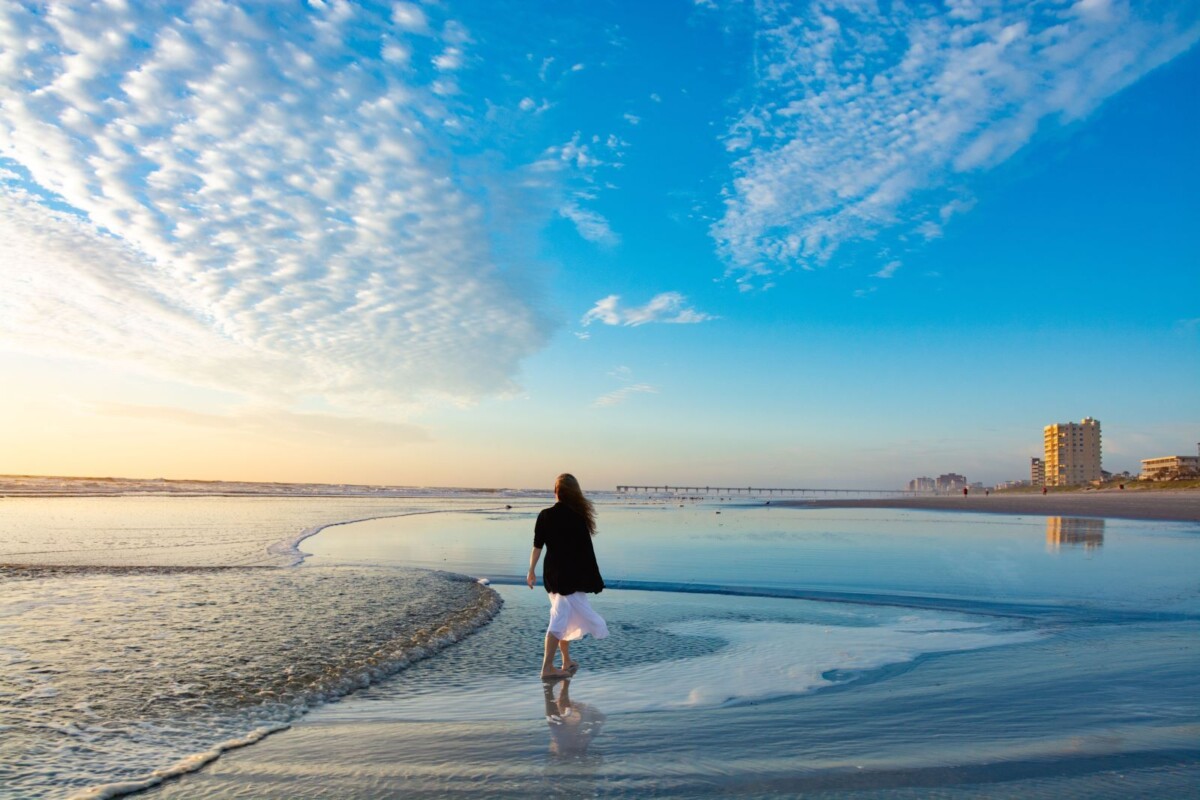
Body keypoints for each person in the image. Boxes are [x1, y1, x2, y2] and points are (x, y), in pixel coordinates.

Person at [527, 473, 608, 679]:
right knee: (559, 617)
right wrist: (592, 578)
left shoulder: (545, 515)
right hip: (570, 575)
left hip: (552, 573)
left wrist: (531, 570)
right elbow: (586, 552)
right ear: (574, 493)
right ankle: (546, 668)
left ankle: (565, 660)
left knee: (565, 615)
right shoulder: (577, 517)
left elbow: (537, 546)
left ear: (556, 492)